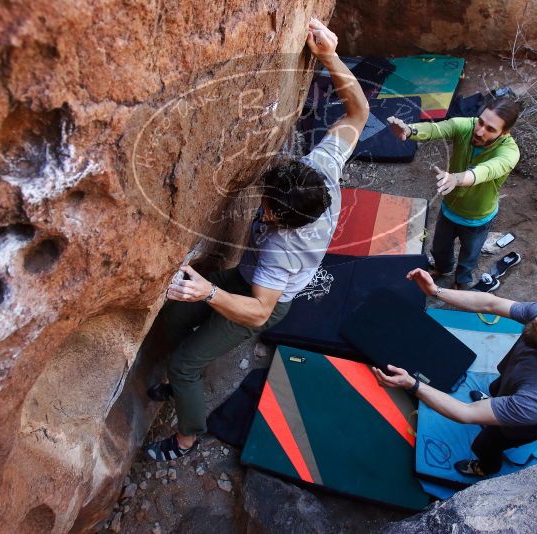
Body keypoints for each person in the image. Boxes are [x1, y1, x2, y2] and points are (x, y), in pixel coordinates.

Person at [143, 18, 369, 462]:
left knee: (184, 362)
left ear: (286, 221)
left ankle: (187, 437)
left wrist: (208, 292)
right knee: (172, 322)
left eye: (268, 210)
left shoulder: (279, 249)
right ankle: (184, 379)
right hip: (246, 278)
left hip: (262, 299)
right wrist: (329, 55)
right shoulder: (320, 169)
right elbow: (358, 113)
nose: (261, 209)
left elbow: (260, 310)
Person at [372, 268, 537, 477]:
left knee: (485, 444)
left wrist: (412, 384)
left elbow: (465, 414)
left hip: (521, 422)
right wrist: (435, 290)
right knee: (494, 391)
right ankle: (493, 404)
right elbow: (491, 303)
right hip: (511, 385)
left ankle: (485, 468)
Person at [387, 98, 521, 290]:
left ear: (505, 132)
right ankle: (443, 269)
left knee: (470, 255)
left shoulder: (509, 152)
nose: (480, 131)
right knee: (440, 249)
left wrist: (456, 179)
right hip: (449, 208)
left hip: (478, 218)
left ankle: (462, 280)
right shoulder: (466, 126)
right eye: (480, 122)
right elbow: (438, 129)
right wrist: (408, 131)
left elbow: (487, 170)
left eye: (490, 129)